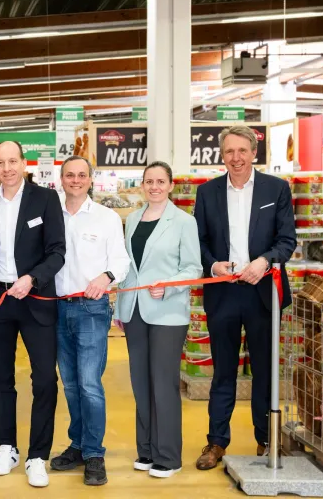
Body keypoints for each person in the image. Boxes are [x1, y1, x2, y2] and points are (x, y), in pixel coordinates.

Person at [193, 125, 296, 470]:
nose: (235, 158)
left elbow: (287, 240)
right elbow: (199, 240)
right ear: (222, 155)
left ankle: (266, 440)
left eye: (242, 151)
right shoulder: (207, 192)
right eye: (229, 151)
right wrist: (212, 264)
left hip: (262, 292)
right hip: (223, 292)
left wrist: (265, 261)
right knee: (223, 372)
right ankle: (216, 442)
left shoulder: (276, 189)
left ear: (254, 152)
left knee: (264, 371)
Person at [0, 141, 65, 488]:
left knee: (45, 379)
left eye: (12, 161)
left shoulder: (46, 199)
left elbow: (57, 252)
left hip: (35, 298)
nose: (7, 168)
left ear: (24, 163)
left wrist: (32, 278)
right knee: (0, 378)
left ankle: (37, 456)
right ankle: (6, 447)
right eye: (0, 162)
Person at [114, 161, 203, 479]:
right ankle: (147, 450)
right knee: (141, 382)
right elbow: (128, 268)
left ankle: (168, 455)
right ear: (142, 185)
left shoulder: (184, 221)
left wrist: (168, 286)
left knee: (163, 383)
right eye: (149, 181)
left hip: (167, 312)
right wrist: (119, 309)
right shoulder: (133, 219)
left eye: (160, 181)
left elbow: (193, 268)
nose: (154, 187)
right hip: (135, 310)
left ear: (170, 185)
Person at [49, 156, 130, 486]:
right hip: (56, 308)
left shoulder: (106, 217)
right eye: (70, 175)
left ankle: (95, 453)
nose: (76, 180)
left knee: (89, 383)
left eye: (82, 175)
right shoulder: (51, 215)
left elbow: (121, 261)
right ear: (61, 179)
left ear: (90, 179)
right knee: (69, 383)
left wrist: (106, 276)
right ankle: (78, 445)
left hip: (91, 310)